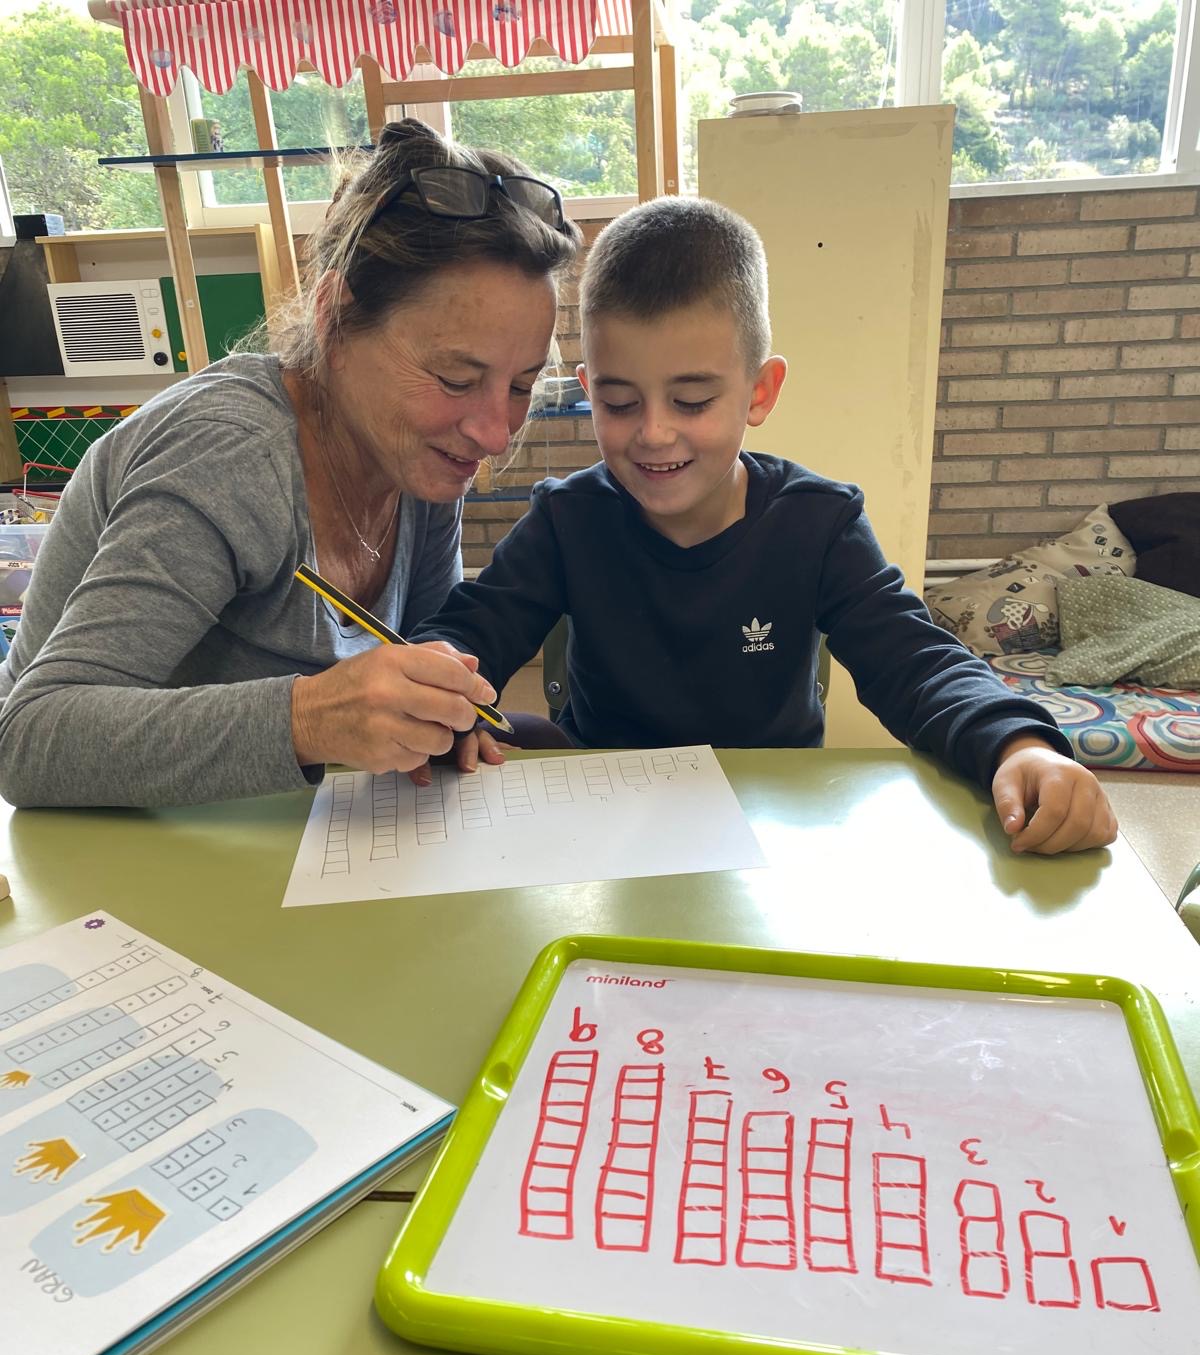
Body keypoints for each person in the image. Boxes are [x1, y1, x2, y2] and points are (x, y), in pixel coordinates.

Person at [413, 197, 1117, 856]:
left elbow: (914, 659)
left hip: (771, 826)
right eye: (620, 403)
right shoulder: (567, 518)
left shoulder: (820, 523)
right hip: (610, 821)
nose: (653, 433)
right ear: (589, 389)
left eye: (692, 400)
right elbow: (476, 628)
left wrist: (1018, 745)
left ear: (760, 391)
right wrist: (437, 687)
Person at [0, 120, 580, 809]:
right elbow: (27, 741)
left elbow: (421, 648)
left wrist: (440, 711)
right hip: (101, 847)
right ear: (334, 317)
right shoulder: (228, 458)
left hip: (273, 832)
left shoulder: (418, 458)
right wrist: (310, 719)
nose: (494, 433)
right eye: (456, 379)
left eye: (521, 386)